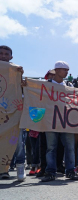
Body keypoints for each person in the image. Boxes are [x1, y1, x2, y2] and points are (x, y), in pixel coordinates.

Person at [41, 61, 78, 182]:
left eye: (67, 70)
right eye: (64, 70)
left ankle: (70, 171)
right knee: (51, 147)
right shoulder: (46, 85)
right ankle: (50, 171)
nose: (66, 72)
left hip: (66, 121)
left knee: (70, 147)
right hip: (51, 120)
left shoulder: (69, 85)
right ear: (56, 70)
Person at [0, 45, 25, 181]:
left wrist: (19, 74)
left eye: (6, 54)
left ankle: (17, 168)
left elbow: (20, 87)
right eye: (1, 53)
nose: (3, 56)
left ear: (11, 57)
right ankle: (2, 170)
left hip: (12, 112)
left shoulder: (14, 70)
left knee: (16, 142)